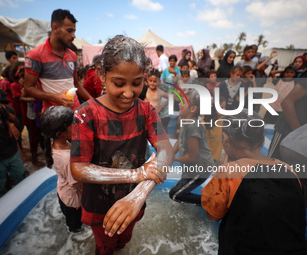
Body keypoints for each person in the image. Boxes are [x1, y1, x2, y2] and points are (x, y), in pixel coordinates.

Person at [70, 36, 174, 255]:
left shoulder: (146, 111)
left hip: (133, 199)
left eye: (137, 83)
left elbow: (166, 150)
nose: (129, 93)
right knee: (105, 247)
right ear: (101, 75)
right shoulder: (86, 114)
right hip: (100, 206)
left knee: (124, 241)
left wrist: (138, 195)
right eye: (119, 84)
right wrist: (135, 175)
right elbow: (78, 169)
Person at [201, 111, 306, 255]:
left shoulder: (229, 171)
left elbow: (213, 214)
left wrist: (225, 167)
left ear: (226, 139)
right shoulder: (289, 170)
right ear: (263, 137)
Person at [24, 9, 92, 113]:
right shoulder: (36, 55)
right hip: (53, 115)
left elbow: (76, 84)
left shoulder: (72, 55)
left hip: (74, 112)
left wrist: (94, 102)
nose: (74, 36)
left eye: (74, 31)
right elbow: (28, 88)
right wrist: (56, 97)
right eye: (69, 31)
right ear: (55, 28)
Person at [40, 106, 83, 233]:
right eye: (73, 124)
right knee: (76, 228)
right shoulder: (66, 159)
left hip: (63, 192)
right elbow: (80, 184)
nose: (77, 125)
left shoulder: (59, 143)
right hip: (73, 201)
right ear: (60, 134)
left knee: (71, 219)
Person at [169, 90, 215, 204]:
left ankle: (212, 204)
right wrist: (169, 155)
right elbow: (179, 141)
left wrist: (173, 159)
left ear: (193, 109)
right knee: (181, 193)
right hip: (193, 168)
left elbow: (192, 158)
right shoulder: (186, 121)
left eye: (183, 101)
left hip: (201, 169)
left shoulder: (193, 127)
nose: (179, 104)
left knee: (175, 195)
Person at [267, 70, 307, 160]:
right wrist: (298, 134)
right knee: (271, 166)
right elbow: (287, 103)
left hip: (302, 137)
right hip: (287, 131)